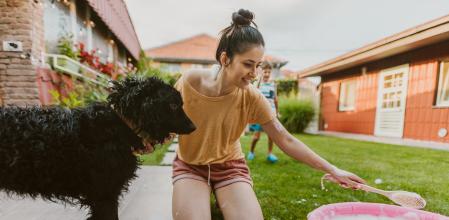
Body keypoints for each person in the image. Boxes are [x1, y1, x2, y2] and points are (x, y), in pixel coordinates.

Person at [172, 9, 365, 220]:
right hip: (190, 166)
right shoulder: (189, 82)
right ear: (225, 58)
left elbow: (285, 138)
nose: (254, 74)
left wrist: (333, 169)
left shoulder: (252, 97)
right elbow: (165, 119)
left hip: (229, 168)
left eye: (258, 65)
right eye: (248, 64)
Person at [247, 63, 279, 163]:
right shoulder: (258, 83)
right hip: (260, 113)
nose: (267, 74)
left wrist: (277, 112)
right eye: (265, 72)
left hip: (271, 113)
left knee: (271, 136)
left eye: (269, 72)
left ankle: (270, 154)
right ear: (261, 71)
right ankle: (251, 152)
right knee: (257, 136)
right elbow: (254, 96)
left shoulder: (273, 84)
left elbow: (275, 99)